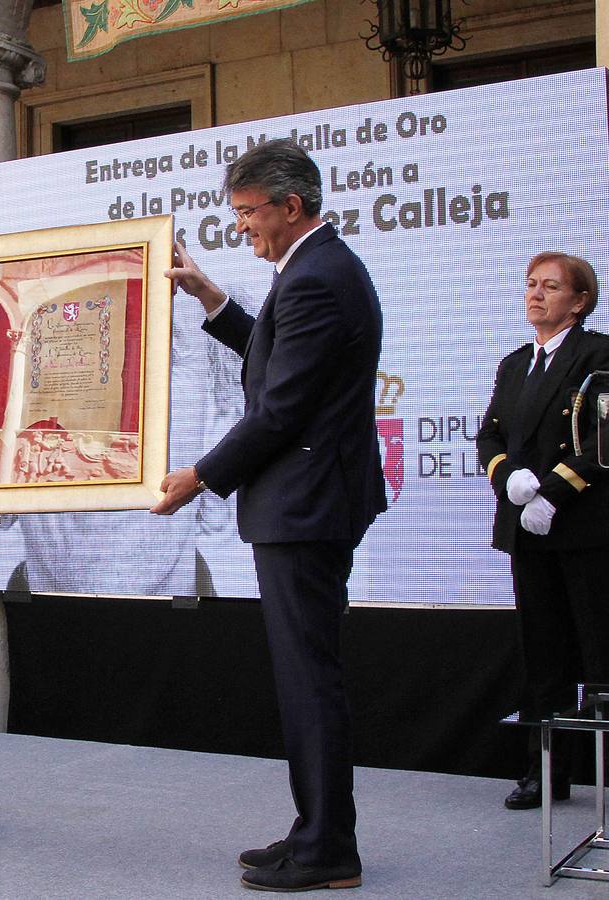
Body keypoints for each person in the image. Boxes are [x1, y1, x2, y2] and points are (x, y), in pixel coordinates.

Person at [153, 139, 385, 892]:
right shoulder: (313, 270)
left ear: (292, 206)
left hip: (305, 506)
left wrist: (200, 476)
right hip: (302, 504)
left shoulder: (319, 278)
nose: (243, 226)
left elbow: (281, 407)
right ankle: (314, 829)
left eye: (250, 213)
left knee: (309, 678)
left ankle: (328, 851)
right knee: (301, 675)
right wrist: (213, 299)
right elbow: (274, 359)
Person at [474, 252, 609, 827]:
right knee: (542, 658)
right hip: (529, 530)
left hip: (588, 527)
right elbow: (490, 435)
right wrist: (509, 479)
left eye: (550, 287)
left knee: (607, 659)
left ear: (579, 301)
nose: (536, 295)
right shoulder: (513, 363)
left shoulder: (601, 352)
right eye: (531, 285)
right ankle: (546, 772)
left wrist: (553, 491)